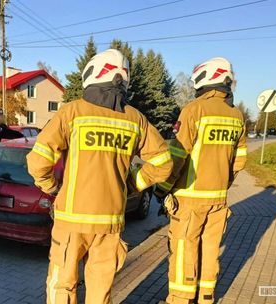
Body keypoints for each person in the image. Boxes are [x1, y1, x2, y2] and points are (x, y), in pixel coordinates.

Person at [27, 49, 173, 304]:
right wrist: (131, 185)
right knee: (100, 291)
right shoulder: (135, 118)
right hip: (110, 221)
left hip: (72, 219)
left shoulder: (72, 112)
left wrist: (52, 187)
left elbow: (39, 160)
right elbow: (163, 163)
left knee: (62, 286)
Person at [155, 57, 247, 304]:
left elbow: (177, 156)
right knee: (210, 251)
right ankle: (206, 297)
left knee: (185, 249)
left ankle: (180, 299)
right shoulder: (236, 116)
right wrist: (222, 183)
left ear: (204, 79)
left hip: (189, 200)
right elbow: (240, 160)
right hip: (218, 200)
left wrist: (162, 188)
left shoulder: (194, 110)